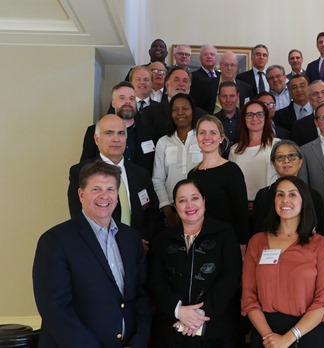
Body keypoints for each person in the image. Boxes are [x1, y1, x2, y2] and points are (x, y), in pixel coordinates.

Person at [33, 161, 151, 348]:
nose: (104, 196)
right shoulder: (55, 241)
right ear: (81, 194)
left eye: (111, 189)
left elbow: (141, 296)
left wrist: (137, 342)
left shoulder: (130, 238)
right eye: (96, 189)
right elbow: (55, 310)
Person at [242, 176, 324, 348]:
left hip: (307, 333)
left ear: (304, 201)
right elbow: (249, 297)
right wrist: (269, 337)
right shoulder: (257, 242)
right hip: (265, 334)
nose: (285, 199)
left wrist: (288, 338)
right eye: (280, 194)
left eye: (292, 195)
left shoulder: (320, 245)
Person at [148, 179, 242, 348]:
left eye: (195, 198)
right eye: (182, 200)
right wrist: (179, 311)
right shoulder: (163, 239)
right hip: (172, 327)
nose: (189, 205)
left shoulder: (224, 233)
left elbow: (231, 277)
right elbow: (156, 280)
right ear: (175, 206)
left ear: (204, 201)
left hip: (215, 327)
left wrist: (198, 316)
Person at [69, 114, 162, 248]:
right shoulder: (80, 172)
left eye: (121, 133)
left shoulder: (141, 174)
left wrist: (138, 240)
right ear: (96, 139)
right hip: (99, 249)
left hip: (138, 251)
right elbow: (79, 215)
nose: (116, 139)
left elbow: (153, 210)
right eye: (109, 133)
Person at [188, 115, 249, 251]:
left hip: (227, 243)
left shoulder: (232, 170)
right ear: (197, 137)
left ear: (221, 138)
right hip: (200, 244)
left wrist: (242, 247)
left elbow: (241, 214)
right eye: (202, 133)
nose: (207, 137)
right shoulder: (192, 174)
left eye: (213, 133)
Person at [253, 140, 324, 236]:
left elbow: (321, 234)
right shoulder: (263, 195)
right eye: (280, 157)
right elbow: (258, 235)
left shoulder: (313, 195)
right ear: (274, 164)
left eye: (292, 156)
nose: (286, 161)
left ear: (300, 161)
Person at [81, 81, 157, 175]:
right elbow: (85, 167)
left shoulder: (149, 133)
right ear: (113, 103)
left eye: (132, 98)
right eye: (122, 98)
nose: (128, 102)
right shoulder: (94, 131)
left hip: (140, 186)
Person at [152, 93, 202, 229]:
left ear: (193, 111)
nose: (180, 113)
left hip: (201, 209)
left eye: (185, 108)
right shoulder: (163, 142)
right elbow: (158, 179)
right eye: (175, 109)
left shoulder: (202, 139)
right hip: (172, 210)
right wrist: (167, 211)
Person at [229, 100, 280, 207]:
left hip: (270, 204)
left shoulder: (277, 145)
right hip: (242, 205)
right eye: (250, 114)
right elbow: (232, 182)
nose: (255, 118)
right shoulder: (235, 149)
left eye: (259, 114)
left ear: (266, 117)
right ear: (243, 118)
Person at [142, 66, 208, 140]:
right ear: (167, 85)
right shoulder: (149, 113)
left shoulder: (202, 116)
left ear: (190, 86)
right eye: (176, 80)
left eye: (185, 81)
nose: (181, 84)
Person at [214, 81, 242, 157]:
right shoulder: (212, 121)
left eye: (232, 96)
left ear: (238, 96)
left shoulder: (247, 118)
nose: (228, 100)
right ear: (219, 98)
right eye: (224, 96)